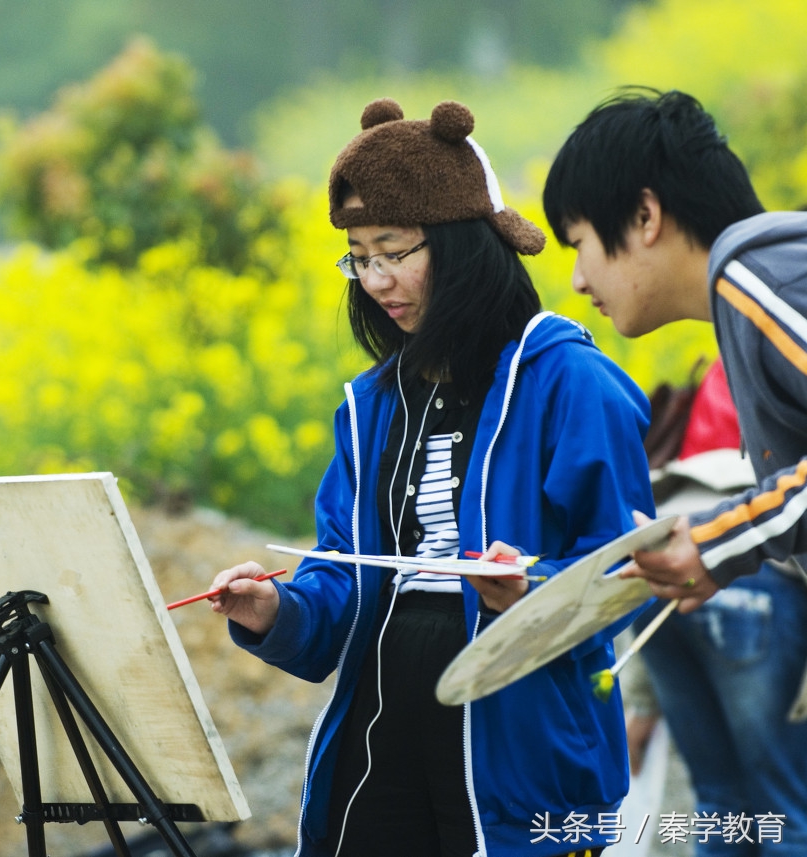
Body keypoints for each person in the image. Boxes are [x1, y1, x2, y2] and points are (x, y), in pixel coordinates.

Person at [208, 98, 654, 857]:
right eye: (358, 254)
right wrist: (274, 608)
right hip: (382, 734)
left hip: (523, 737)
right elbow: (342, 579)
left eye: (394, 249)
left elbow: (630, 568)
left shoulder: (569, 381)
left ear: (461, 242)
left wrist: (531, 586)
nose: (376, 279)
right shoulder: (372, 406)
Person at [542, 88, 807, 617]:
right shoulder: (759, 284)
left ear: (645, 215)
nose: (576, 281)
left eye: (578, 243)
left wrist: (719, 543)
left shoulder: (759, 281)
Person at [630, 359, 807, 856]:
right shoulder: (786, 348)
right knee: (787, 810)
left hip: (664, 561)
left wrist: (641, 702)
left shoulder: (730, 357)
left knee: (718, 801)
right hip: (755, 575)